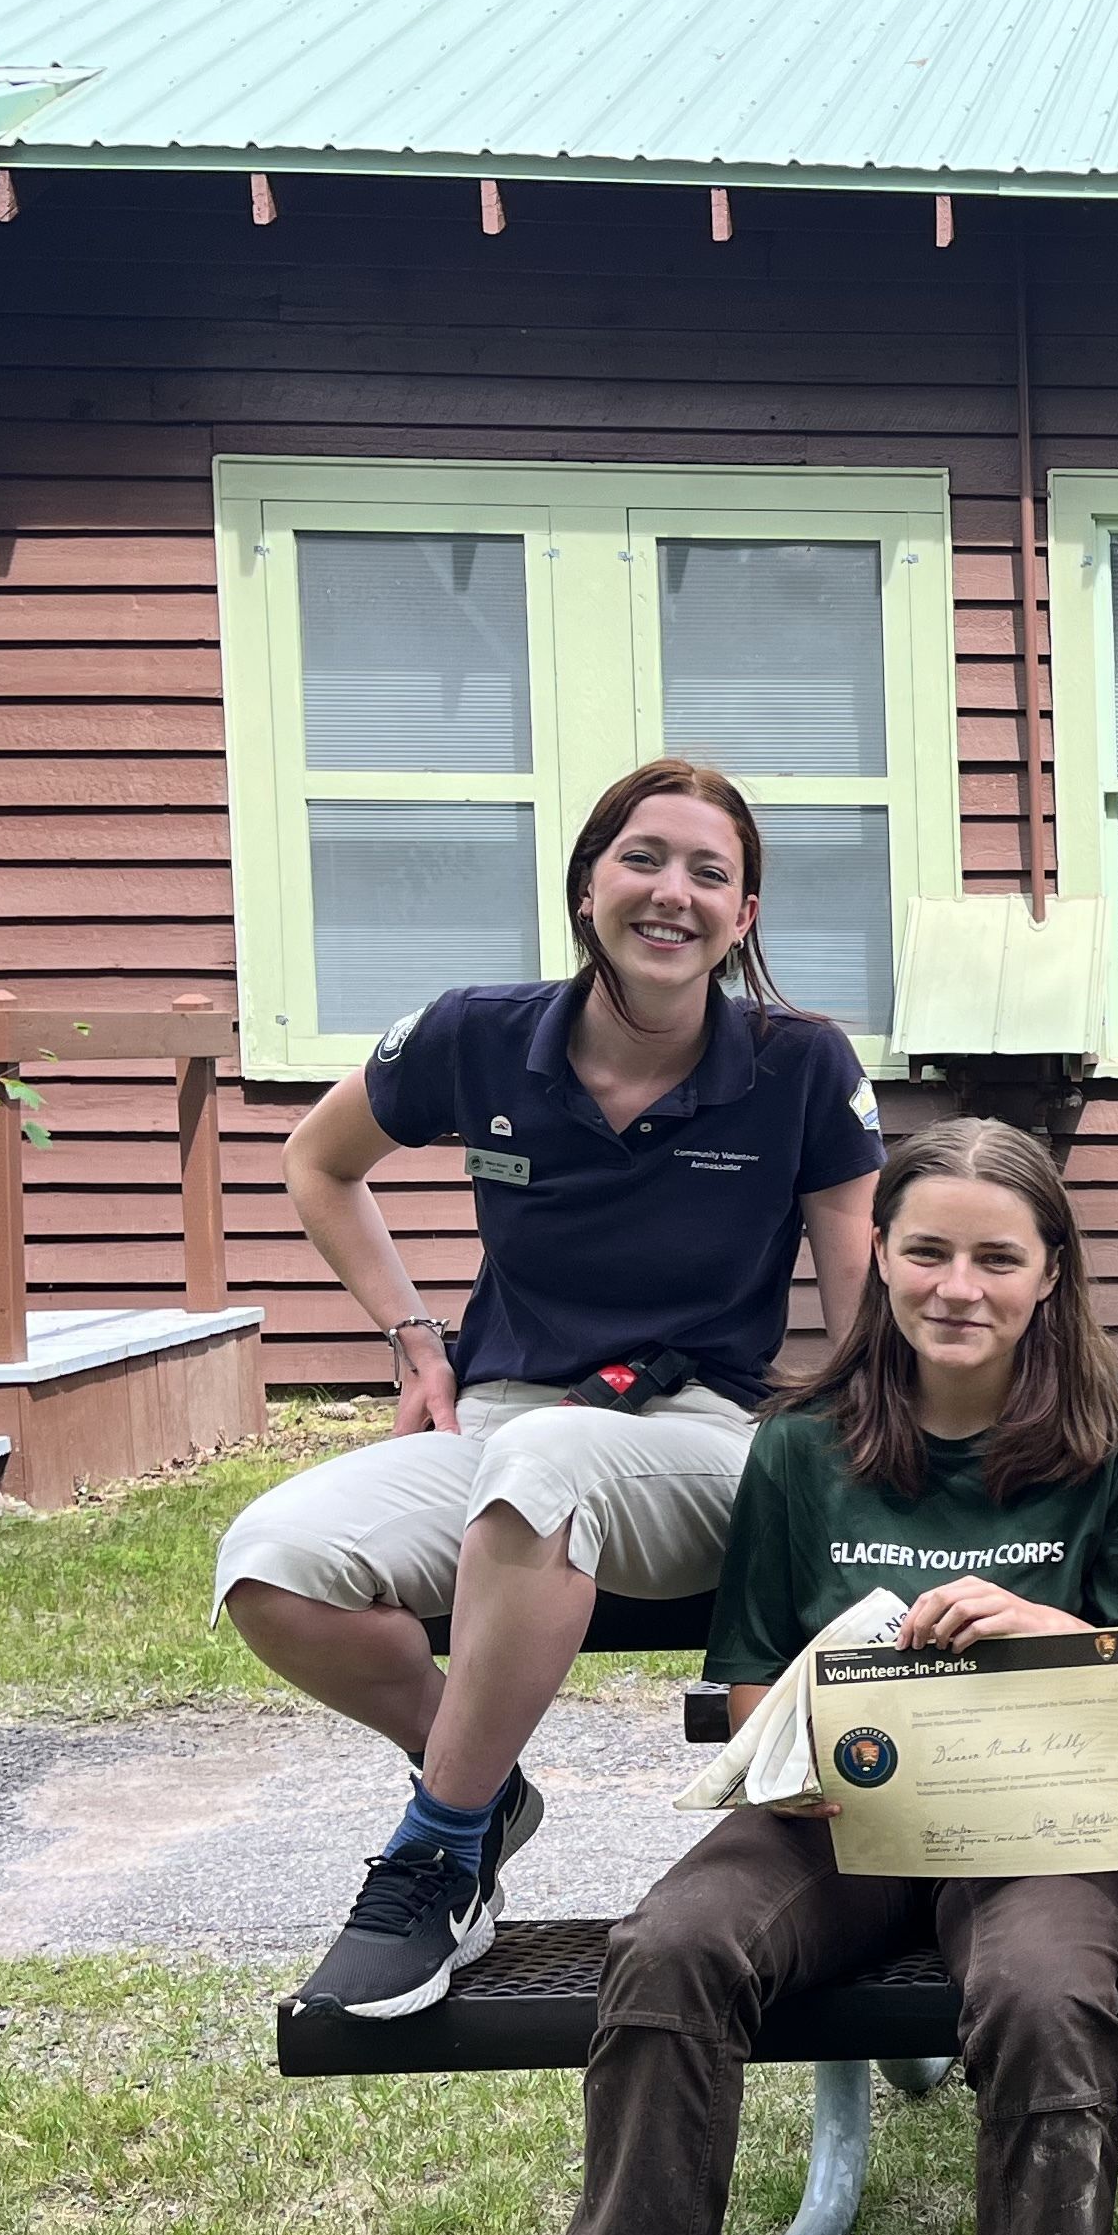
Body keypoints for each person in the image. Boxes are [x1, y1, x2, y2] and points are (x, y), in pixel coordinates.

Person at [482, 1119, 1118, 2235]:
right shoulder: (802, 1448)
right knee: (671, 1948)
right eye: (926, 1250)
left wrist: (1042, 1629)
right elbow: (743, 1703)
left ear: (1050, 1273)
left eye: (998, 1255)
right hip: (836, 1817)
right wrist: (848, 1679)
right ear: (882, 1263)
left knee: (1054, 2004)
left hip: (1038, 1813)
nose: (958, 1284)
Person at [224, 760, 880, 2022]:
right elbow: (318, 1161)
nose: (671, 893)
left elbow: (859, 1298)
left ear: (744, 918)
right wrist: (417, 1339)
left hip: (704, 1446)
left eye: (711, 873)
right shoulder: (477, 1033)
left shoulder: (799, 1064)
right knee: (269, 1561)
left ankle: (437, 1856)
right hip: (507, 1423)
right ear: (588, 887)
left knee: (557, 1465)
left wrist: (858, 1477)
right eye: (642, 859)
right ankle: (481, 1781)